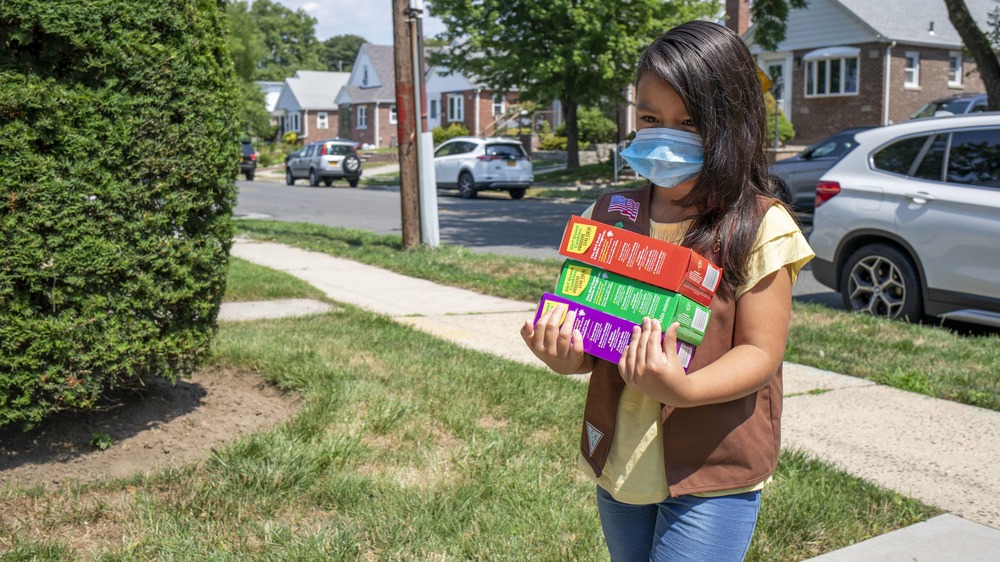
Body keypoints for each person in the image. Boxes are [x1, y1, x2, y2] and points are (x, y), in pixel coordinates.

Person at [520, 21, 814, 561]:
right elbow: (593, 340)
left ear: (734, 124)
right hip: (623, 459)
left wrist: (682, 390)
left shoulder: (759, 225)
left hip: (714, 469)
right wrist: (563, 355)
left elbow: (761, 352)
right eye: (651, 119)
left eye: (690, 122)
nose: (665, 136)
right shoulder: (609, 218)